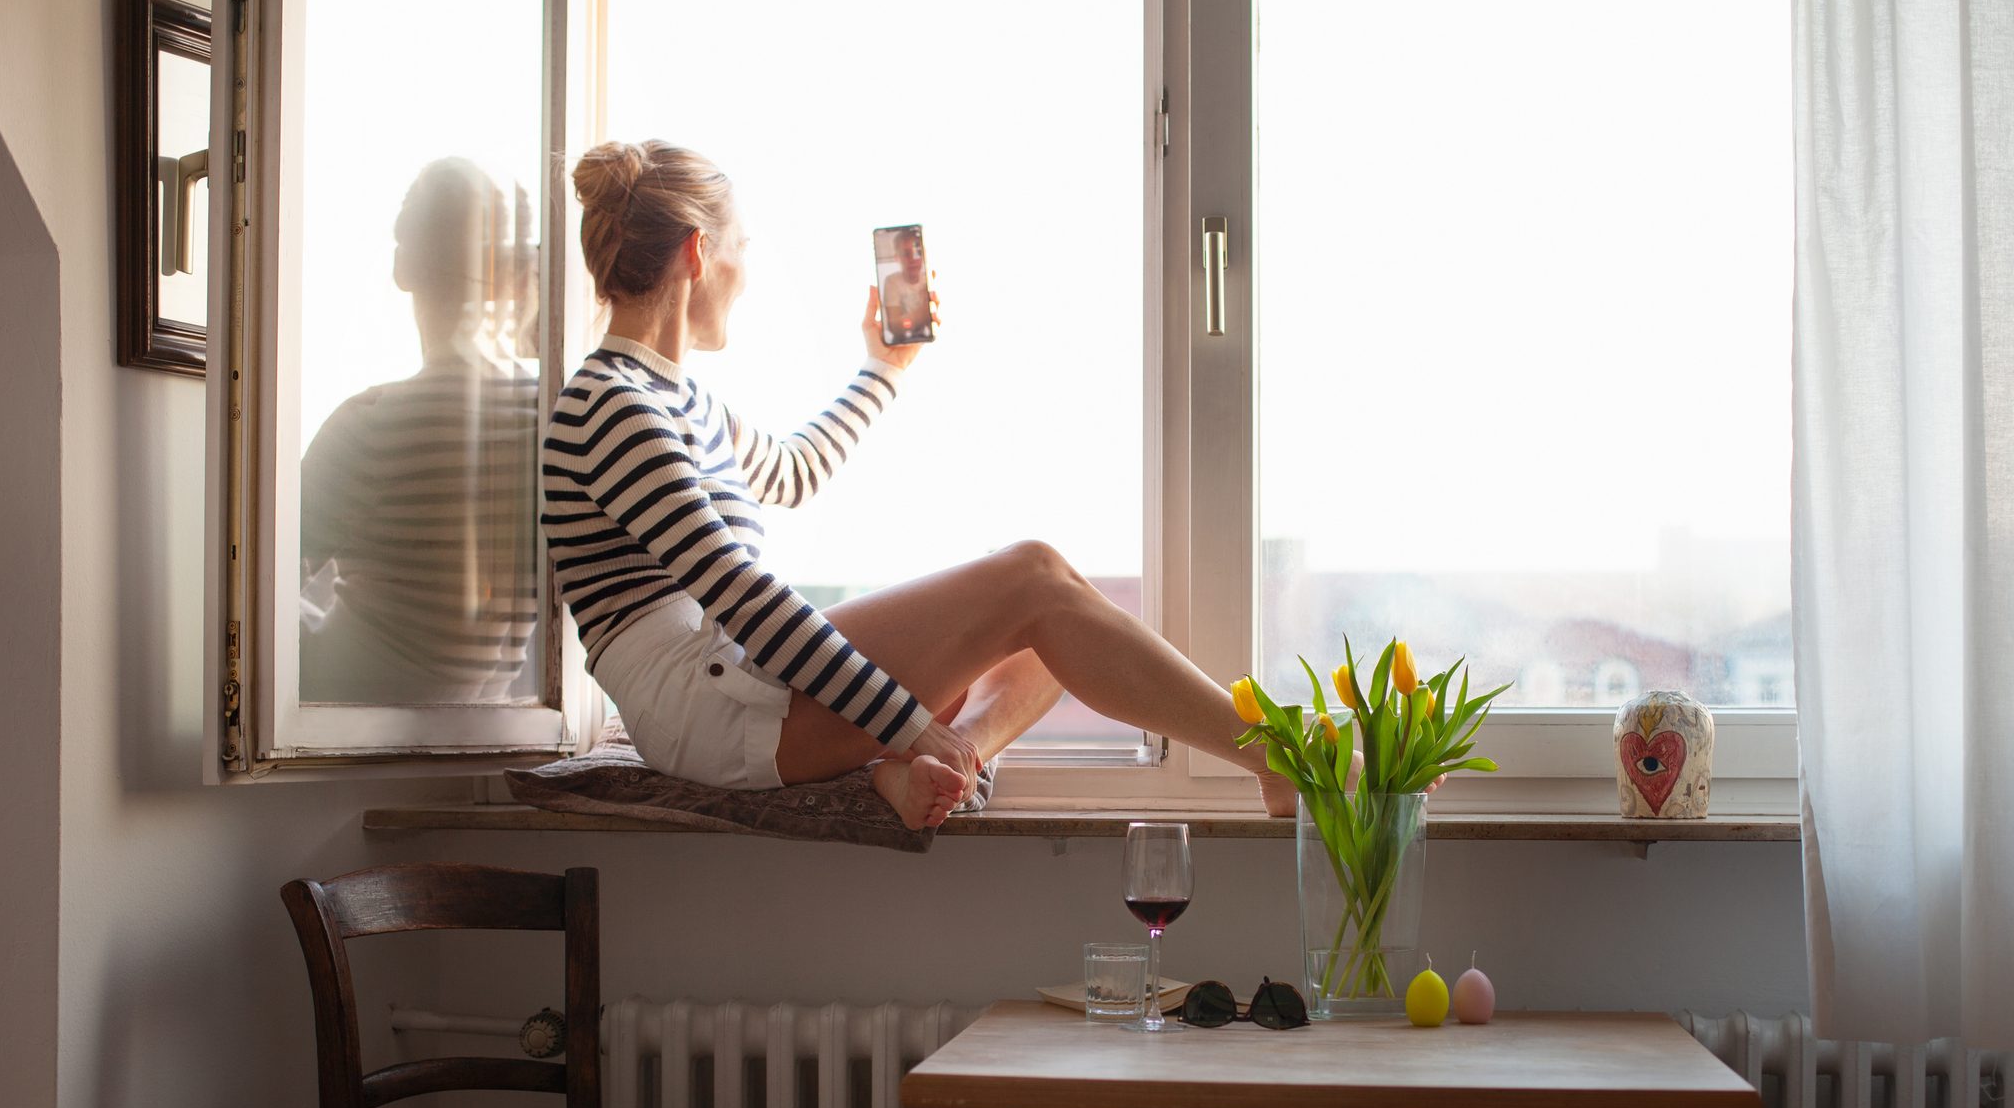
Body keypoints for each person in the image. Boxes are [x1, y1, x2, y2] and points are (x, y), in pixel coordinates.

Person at [544, 138, 1302, 829]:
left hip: (732, 687)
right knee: (1034, 577)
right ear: (700, 252)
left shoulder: (673, 398)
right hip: (705, 708)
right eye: (741, 245)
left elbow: (793, 470)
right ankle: (1280, 758)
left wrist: (883, 366)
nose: (747, 270)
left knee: (1050, 635)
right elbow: (742, 598)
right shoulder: (612, 406)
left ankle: (941, 766)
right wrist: (911, 720)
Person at [301, 157, 542, 704]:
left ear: (402, 267)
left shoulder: (371, 423)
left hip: (355, 704)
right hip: (496, 714)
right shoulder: (551, 419)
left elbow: (257, 594)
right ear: (518, 275)